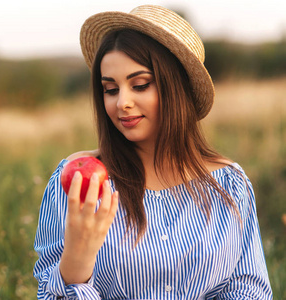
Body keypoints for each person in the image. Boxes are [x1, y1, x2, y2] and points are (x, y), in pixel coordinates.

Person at [33, 5, 272, 300]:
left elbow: (248, 289)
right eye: (110, 89)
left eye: (140, 85)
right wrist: (76, 262)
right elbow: (49, 293)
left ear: (177, 88)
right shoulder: (83, 185)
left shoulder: (229, 184)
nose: (122, 102)